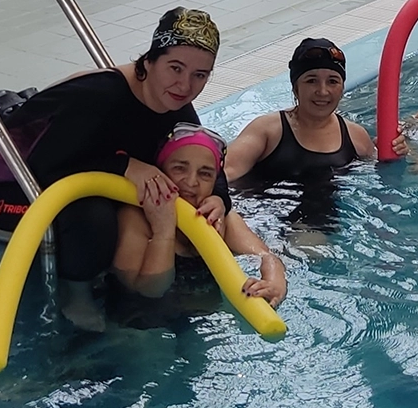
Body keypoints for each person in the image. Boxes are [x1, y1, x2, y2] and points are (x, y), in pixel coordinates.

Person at [0, 7, 227, 331]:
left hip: (66, 171)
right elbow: (45, 167)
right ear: (150, 60)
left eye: (200, 75)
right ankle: (76, 293)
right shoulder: (100, 97)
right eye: (175, 67)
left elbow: (200, 152)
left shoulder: (173, 100)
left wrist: (221, 199)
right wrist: (124, 165)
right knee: (95, 215)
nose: (185, 85)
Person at [112, 123, 287, 308]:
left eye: (205, 174)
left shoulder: (220, 217)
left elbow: (266, 257)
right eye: (179, 168)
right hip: (144, 322)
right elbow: (148, 290)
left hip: (208, 316)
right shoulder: (135, 218)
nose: (191, 181)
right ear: (160, 170)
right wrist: (163, 232)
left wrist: (274, 283)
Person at [225, 38, 401, 183]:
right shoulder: (268, 130)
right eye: (311, 81)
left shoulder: (356, 136)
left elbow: (382, 175)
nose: (323, 91)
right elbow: (222, 174)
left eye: (332, 81)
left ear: (342, 89)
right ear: (295, 88)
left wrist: (396, 151)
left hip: (331, 224)